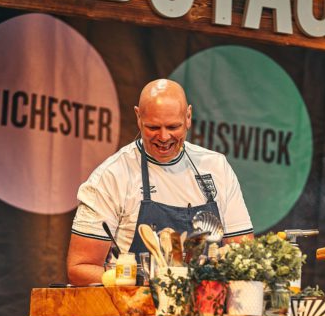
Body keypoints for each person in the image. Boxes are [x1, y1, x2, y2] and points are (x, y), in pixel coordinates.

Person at [67, 79, 254, 285]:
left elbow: (243, 256)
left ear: (189, 117)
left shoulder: (217, 167)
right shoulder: (111, 176)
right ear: (138, 117)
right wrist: (141, 284)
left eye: (173, 126)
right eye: (153, 127)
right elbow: (80, 268)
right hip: (134, 311)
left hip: (206, 309)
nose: (164, 137)